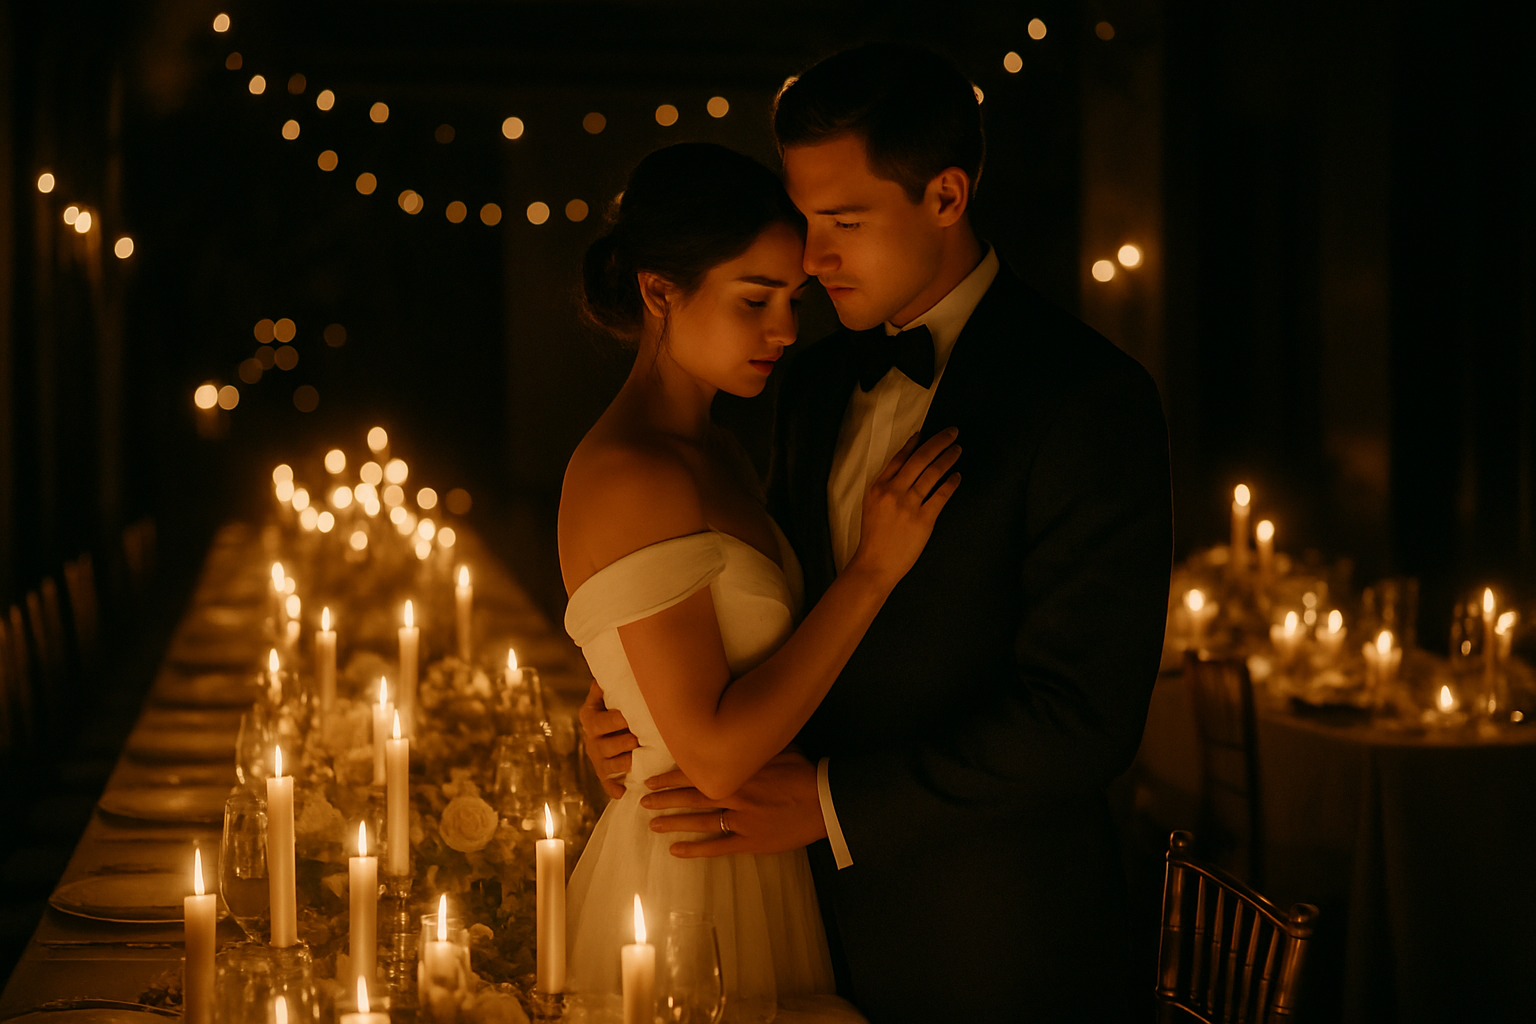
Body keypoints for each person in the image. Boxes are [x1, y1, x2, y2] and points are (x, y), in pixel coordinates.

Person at [583, 44, 1174, 1022]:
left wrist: (829, 803)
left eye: (840, 222)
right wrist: (627, 711)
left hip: (990, 938)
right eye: (803, 217)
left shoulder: (1086, 397)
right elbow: (761, 609)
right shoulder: (809, 383)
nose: (809, 260)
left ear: (945, 196)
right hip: (797, 921)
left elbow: (1082, 719)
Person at [558, 141, 961, 1017]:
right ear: (659, 291)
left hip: (756, 857)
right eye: (755, 300)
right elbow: (711, 755)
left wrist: (611, 708)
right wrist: (873, 572)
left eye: (793, 300)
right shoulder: (636, 474)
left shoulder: (719, 453)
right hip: (689, 881)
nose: (785, 330)